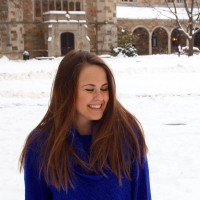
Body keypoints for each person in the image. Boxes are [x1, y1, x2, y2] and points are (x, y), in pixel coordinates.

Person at [19, 50, 151, 200]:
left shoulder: (128, 134)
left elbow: (142, 195)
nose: (99, 97)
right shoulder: (41, 144)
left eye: (104, 88)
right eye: (89, 89)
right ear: (66, 91)